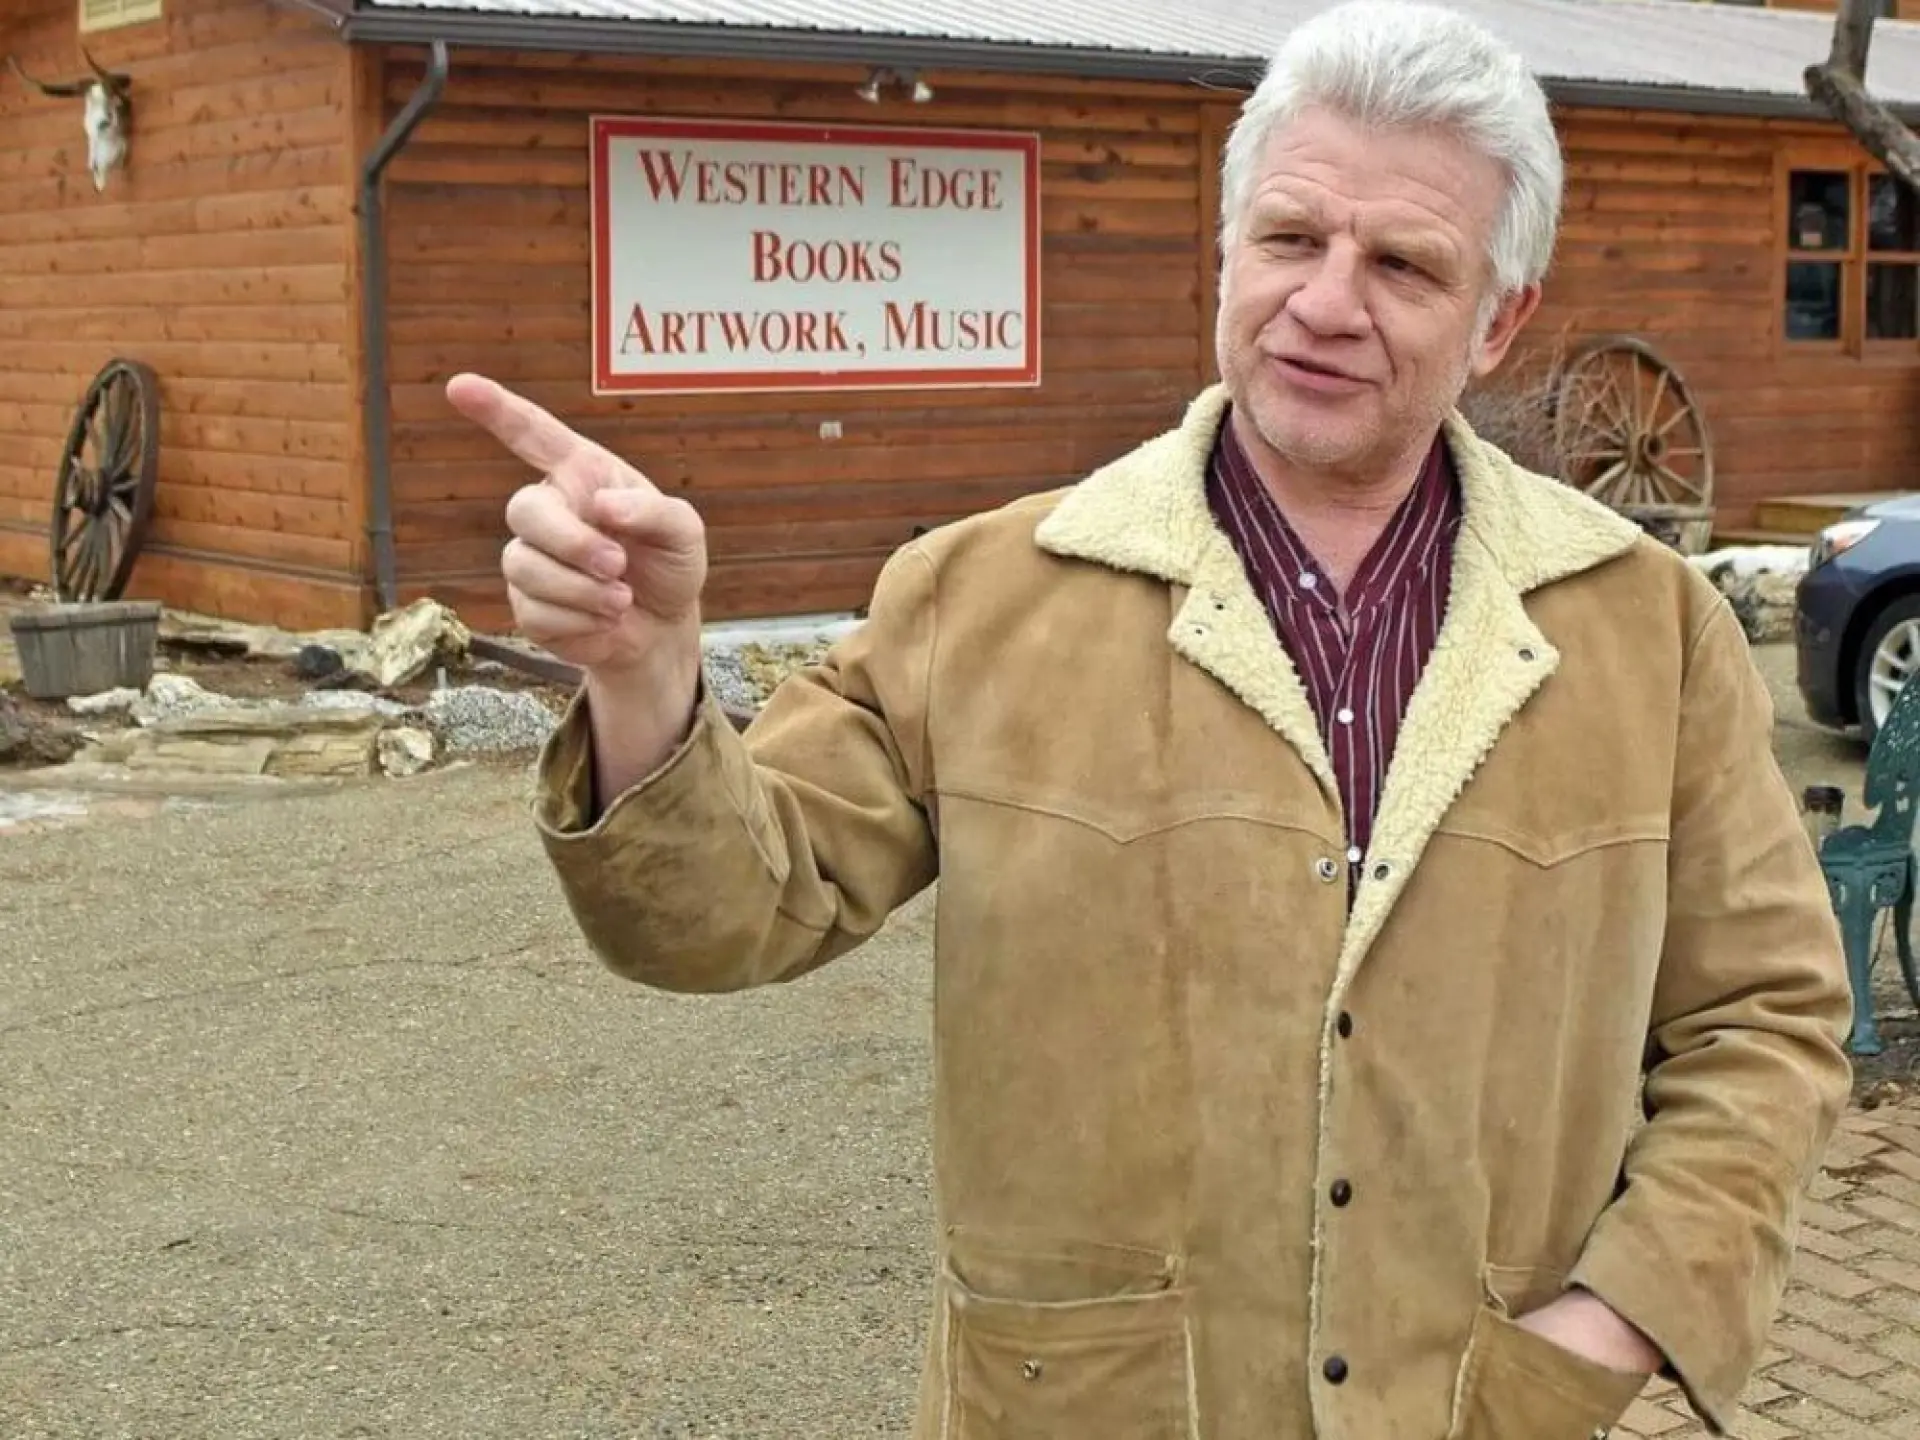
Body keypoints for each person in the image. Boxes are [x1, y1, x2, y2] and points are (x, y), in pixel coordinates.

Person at [446, 2, 1853, 1434]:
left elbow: (1768, 1014)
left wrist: (1615, 1321)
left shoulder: (1643, 627)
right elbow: (720, 918)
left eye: (1405, 265)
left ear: (1500, 321)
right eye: (1291, 239)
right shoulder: (978, 598)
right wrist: (642, 672)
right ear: (1226, 248)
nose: (1326, 301)